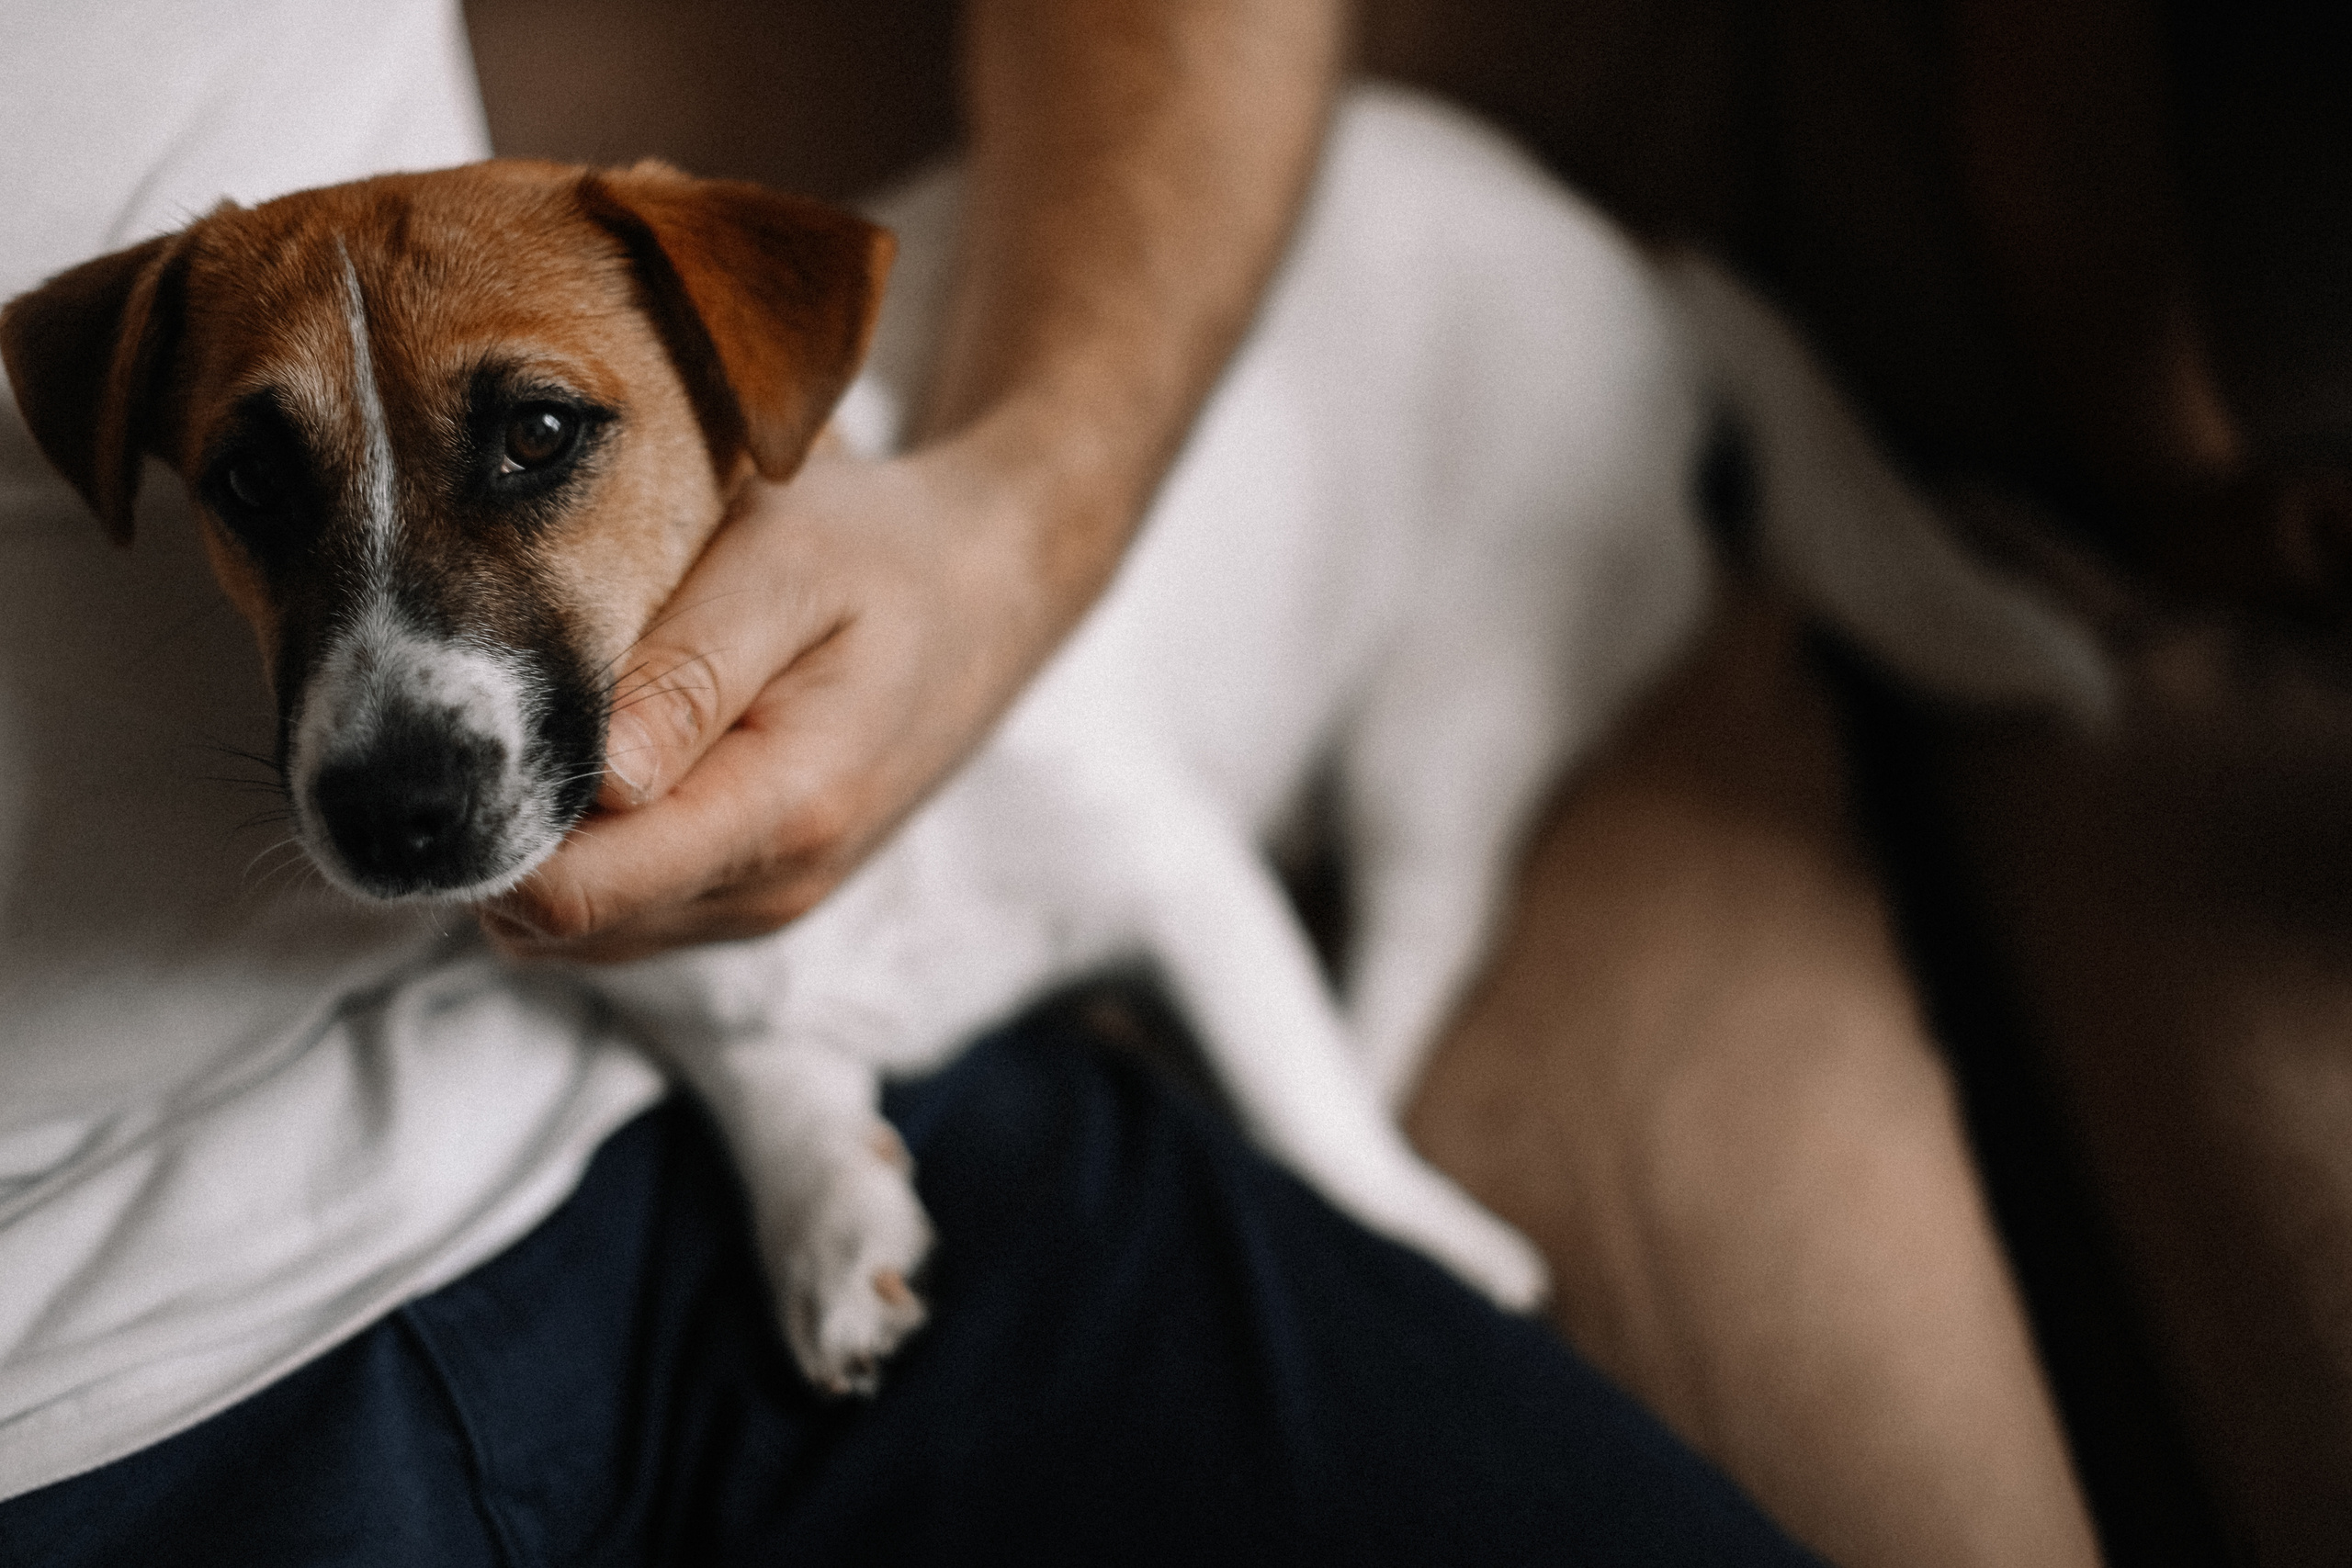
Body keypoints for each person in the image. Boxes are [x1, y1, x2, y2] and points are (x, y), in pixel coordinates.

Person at [0, 1, 1826, 1561]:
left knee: (1433, 822)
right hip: (116, 1401)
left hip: (601, 1137)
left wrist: (1019, 520)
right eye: (265, 487)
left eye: (537, 437)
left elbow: (1146, 866)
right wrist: (798, 1130)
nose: (396, 690)